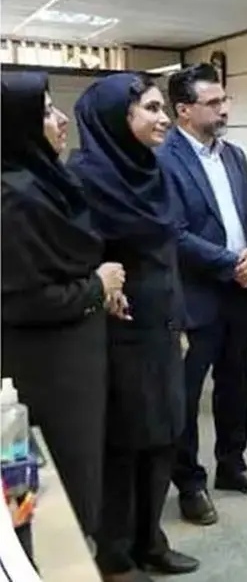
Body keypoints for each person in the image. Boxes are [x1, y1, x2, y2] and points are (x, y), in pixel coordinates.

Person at [69, 73, 199, 579]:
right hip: (115, 333)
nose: (163, 118)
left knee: (164, 436)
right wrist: (98, 280)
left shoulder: (154, 170)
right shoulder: (82, 179)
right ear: (115, 119)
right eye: (151, 108)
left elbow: (167, 255)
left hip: (161, 324)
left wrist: (179, 320)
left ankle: (151, 541)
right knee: (123, 445)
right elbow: (70, 256)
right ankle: (115, 555)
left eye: (162, 108)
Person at [0, 72, 126, 550]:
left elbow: (55, 263)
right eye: (47, 112)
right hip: (44, 372)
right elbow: (24, 299)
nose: (61, 121)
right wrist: (96, 285)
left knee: (77, 474)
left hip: (72, 358)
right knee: (53, 488)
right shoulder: (12, 198)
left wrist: (95, 285)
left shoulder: (43, 182)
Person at [159, 63, 247, 526]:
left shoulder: (234, 155)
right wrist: (232, 262)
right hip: (195, 296)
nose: (224, 109)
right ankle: (190, 483)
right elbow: (173, 233)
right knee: (186, 397)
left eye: (224, 100)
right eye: (213, 102)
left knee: (236, 383)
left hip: (240, 291)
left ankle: (233, 464)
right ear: (184, 110)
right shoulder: (163, 160)